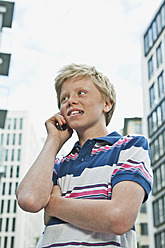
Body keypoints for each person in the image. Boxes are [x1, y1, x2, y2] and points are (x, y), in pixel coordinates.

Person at [16, 63, 153, 248]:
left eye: (81, 93)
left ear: (107, 103)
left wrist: (53, 204)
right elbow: (29, 200)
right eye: (64, 98)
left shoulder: (129, 147)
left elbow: (118, 218)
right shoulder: (57, 163)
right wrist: (54, 140)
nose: (70, 101)